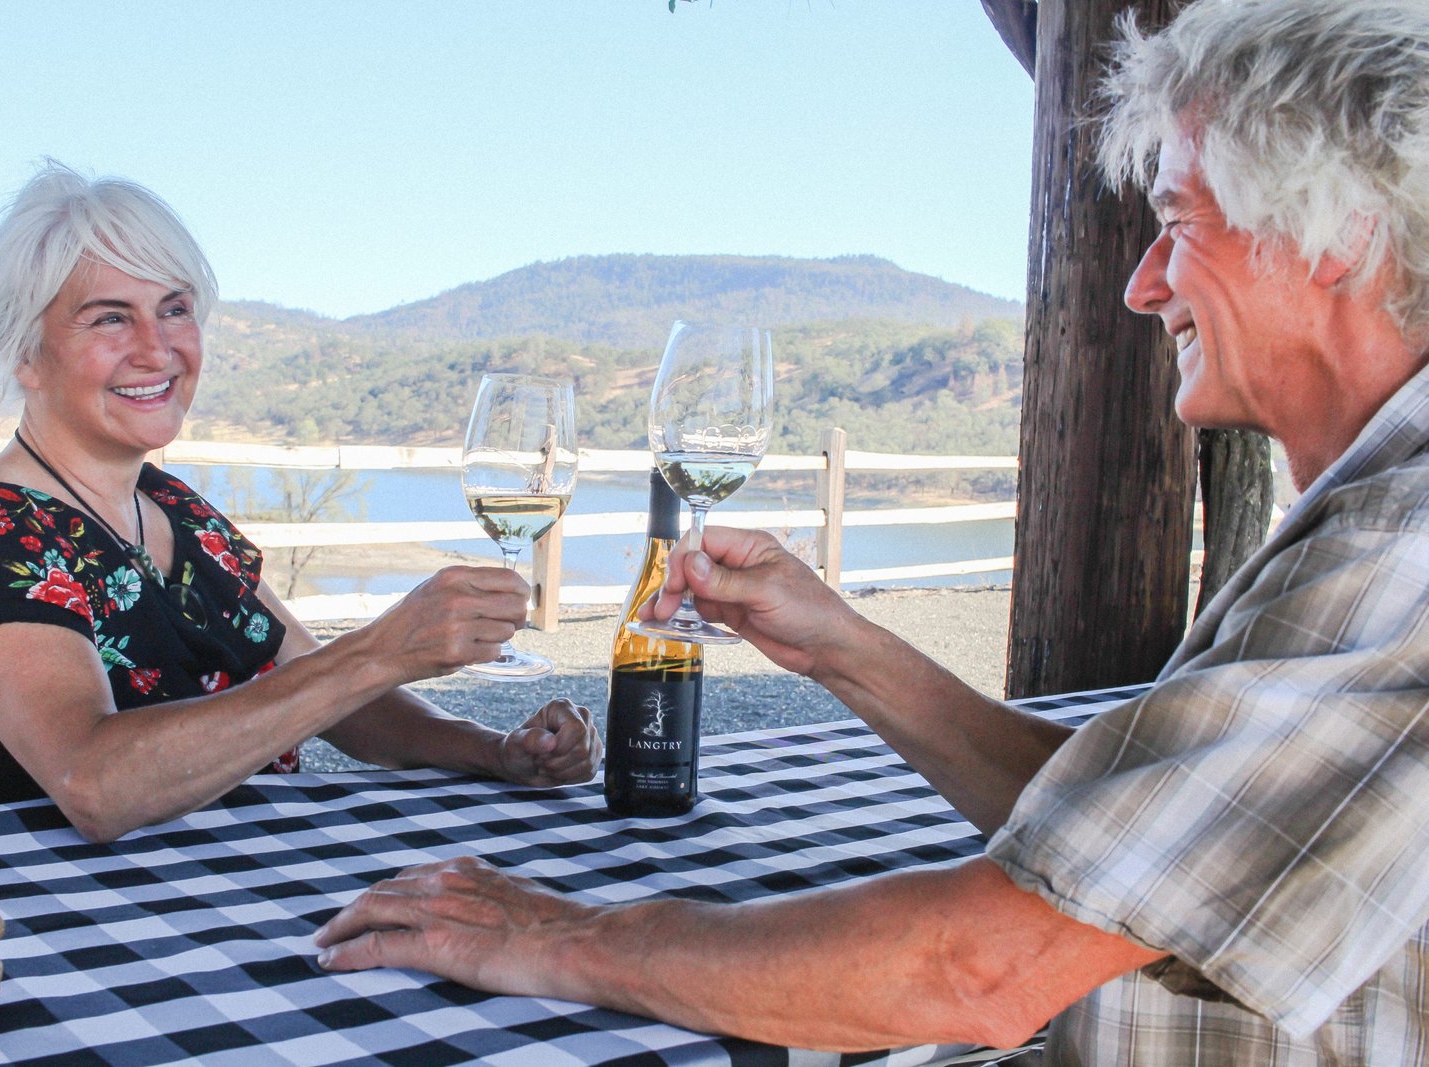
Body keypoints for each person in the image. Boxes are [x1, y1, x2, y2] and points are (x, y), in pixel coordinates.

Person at [312, 1, 1429, 1062]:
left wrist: (553, 934)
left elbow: (980, 962)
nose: (1141, 287)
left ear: (1336, 234)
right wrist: (841, 646)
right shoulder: (1379, 514)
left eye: (1178, 222)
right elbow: (1134, 844)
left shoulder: (1400, 542)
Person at [0, 162, 601, 843]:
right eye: (109, 317)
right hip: (27, 939)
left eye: (174, 307)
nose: (157, 347)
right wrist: (384, 645)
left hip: (198, 905)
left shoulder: (175, 511)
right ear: (26, 353)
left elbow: (331, 693)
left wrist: (492, 749)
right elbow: (96, 784)